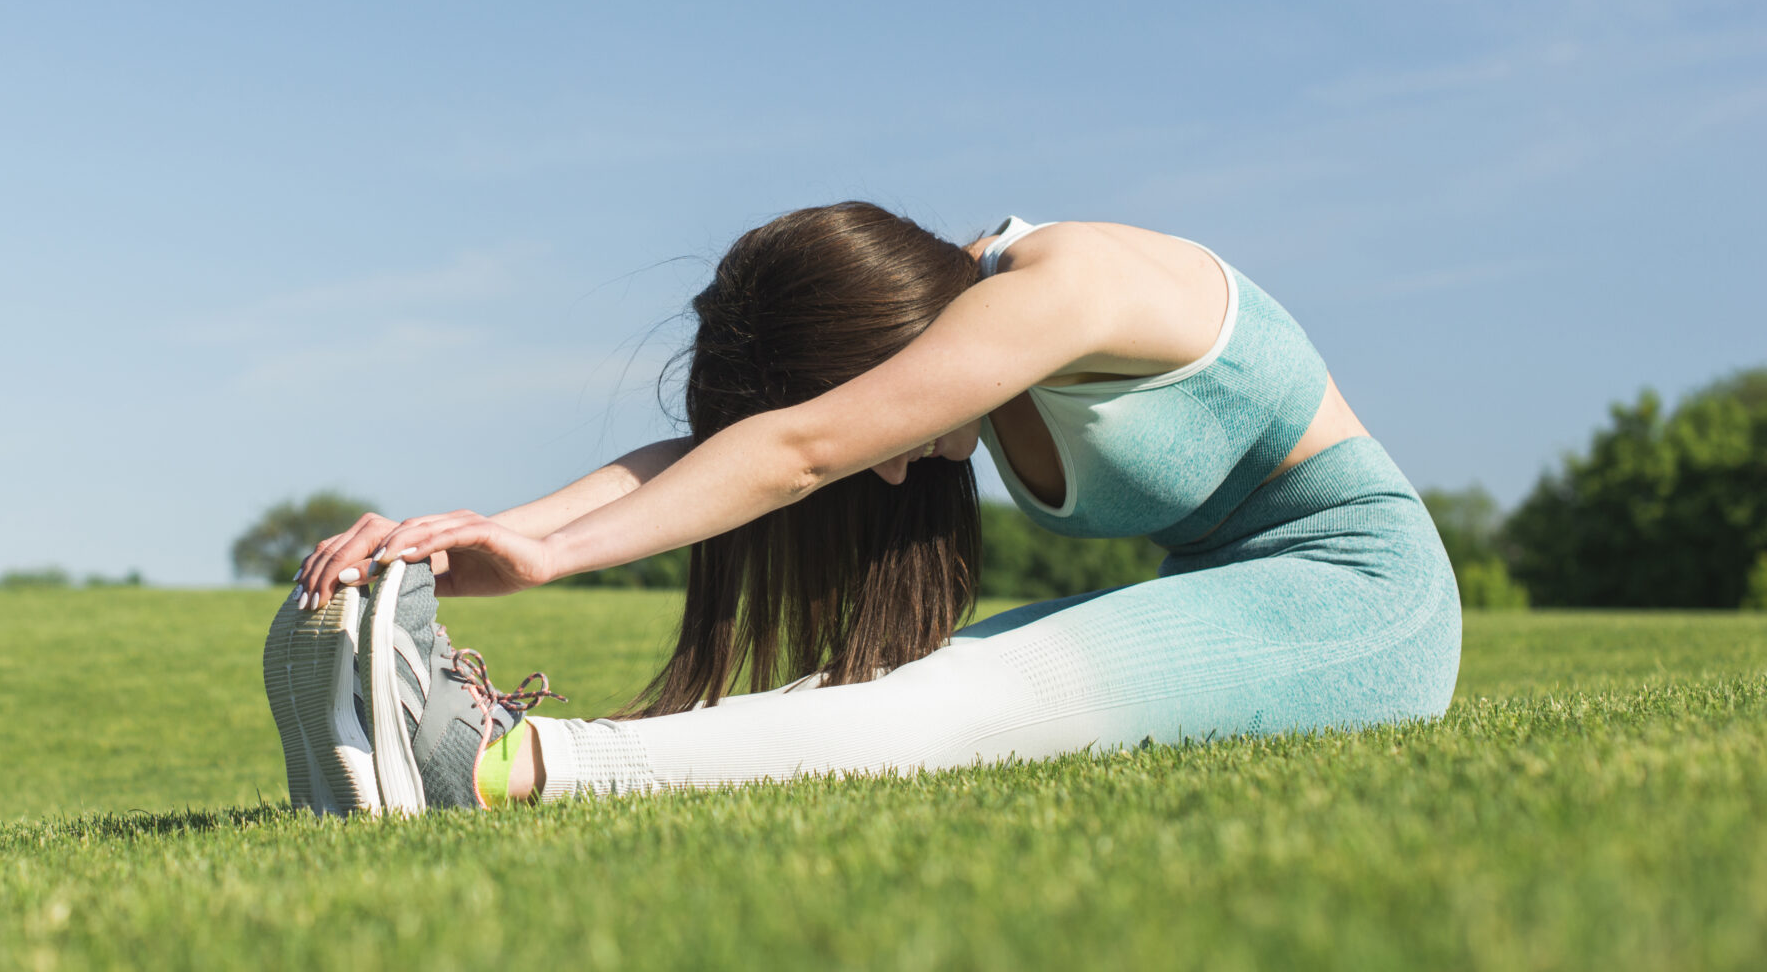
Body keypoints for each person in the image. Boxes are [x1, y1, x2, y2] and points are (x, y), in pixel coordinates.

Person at [260, 201, 1459, 814]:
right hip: (1226, 587)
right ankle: (404, 757)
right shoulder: (933, 308)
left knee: (965, 702)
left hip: (1361, 599)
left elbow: (805, 448)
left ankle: (489, 766)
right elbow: (742, 449)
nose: (887, 471)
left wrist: (551, 557)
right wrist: (497, 527)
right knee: (878, 700)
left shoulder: (1065, 285)